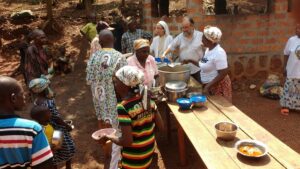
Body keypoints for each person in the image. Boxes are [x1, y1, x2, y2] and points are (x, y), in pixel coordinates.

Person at [99, 65, 164, 169]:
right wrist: (144, 133)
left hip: (134, 160)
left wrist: (109, 137)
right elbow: (161, 127)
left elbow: (127, 141)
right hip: (148, 153)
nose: (114, 84)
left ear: (125, 85)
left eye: (116, 82)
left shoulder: (123, 107)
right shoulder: (148, 100)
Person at [86, 29, 127, 169]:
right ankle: (116, 165)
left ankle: (107, 155)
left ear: (100, 42)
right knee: (118, 133)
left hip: (99, 103)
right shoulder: (119, 57)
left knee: (105, 130)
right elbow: (125, 81)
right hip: (116, 103)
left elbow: (89, 80)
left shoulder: (93, 58)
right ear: (114, 40)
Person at [0, 76, 54, 169]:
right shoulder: (31, 129)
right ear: (13, 98)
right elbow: (45, 166)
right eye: (22, 93)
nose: (25, 96)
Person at [29, 77, 75, 169]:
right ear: (44, 89)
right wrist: (66, 126)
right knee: (68, 148)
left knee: (53, 152)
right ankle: (68, 166)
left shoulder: (36, 102)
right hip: (57, 130)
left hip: (47, 129)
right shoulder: (49, 102)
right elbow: (56, 118)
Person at [185, 26, 232, 102]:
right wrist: (190, 60)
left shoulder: (219, 52)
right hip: (210, 86)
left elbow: (224, 72)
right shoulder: (208, 50)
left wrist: (208, 86)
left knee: (220, 110)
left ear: (210, 40)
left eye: (203, 37)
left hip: (218, 87)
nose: (201, 39)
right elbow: (203, 64)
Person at [162, 16, 204, 81]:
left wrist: (205, 64)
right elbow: (171, 46)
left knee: (199, 87)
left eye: (186, 27)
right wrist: (164, 54)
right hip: (184, 70)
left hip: (198, 70)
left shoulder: (200, 35)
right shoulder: (180, 37)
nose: (184, 30)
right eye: (183, 28)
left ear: (192, 26)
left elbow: (208, 50)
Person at [280, 23, 300, 115]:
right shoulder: (292, 40)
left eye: (299, 29)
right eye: (297, 28)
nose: (298, 30)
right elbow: (286, 53)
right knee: (289, 88)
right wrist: (284, 67)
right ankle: (286, 106)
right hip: (292, 70)